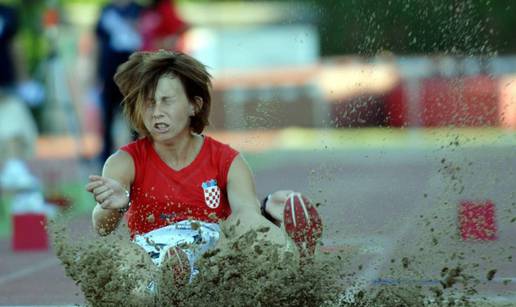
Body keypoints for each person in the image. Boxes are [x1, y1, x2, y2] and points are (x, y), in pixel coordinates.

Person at [86, 50, 323, 283]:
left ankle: (294, 262)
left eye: (167, 101)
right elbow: (102, 228)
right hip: (152, 258)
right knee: (127, 256)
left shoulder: (227, 161)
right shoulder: (124, 162)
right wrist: (116, 206)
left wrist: (264, 223)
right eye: (149, 103)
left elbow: (247, 214)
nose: (157, 113)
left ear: (194, 106)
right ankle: (168, 285)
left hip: (212, 257)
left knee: (243, 223)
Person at [95, 0, 143, 164]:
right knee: (108, 115)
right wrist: (97, 73)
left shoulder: (138, 10)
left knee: (134, 114)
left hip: (133, 72)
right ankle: (106, 156)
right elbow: (98, 44)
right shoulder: (106, 10)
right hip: (110, 73)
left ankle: (137, 154)